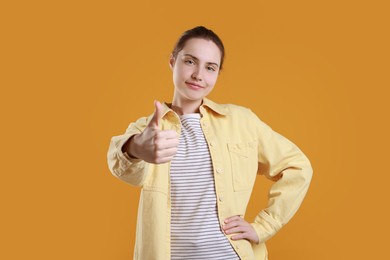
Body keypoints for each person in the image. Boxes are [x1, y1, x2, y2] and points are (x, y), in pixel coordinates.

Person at [107, 26, 313, 260]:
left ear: (217, 74)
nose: (198, 75)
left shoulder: (242, 121)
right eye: (190, 61)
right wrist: (136, 148)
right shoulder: (149, 129)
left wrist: (263, 227)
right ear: (173, 61)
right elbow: (122, 166)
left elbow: (297, 166)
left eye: (210, 67)